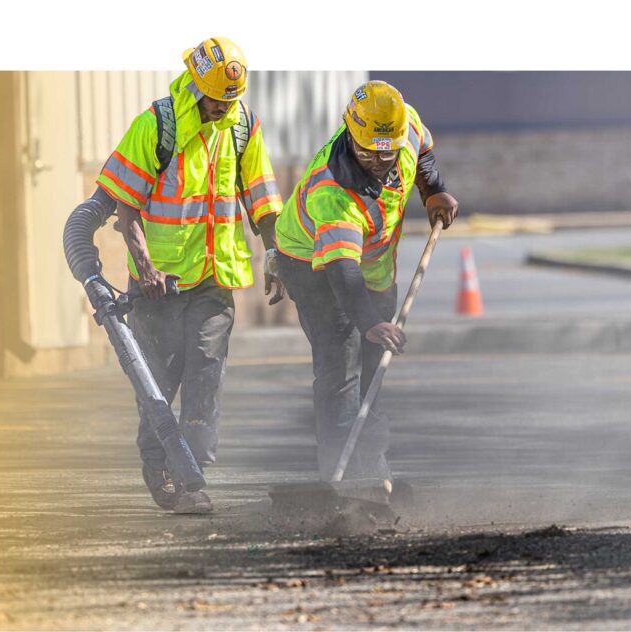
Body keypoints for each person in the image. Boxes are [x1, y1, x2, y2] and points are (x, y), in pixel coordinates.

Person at [96, 37, 283, 513]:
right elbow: (125, 204)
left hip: (213, 278)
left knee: (206, 375)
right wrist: (145, 268)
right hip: (158, 285)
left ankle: (192, 477)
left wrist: (275, 253)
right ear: (196, 86)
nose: (223, 106)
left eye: (230, 98)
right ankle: (158, 467)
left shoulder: (242, 126)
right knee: (158, 383)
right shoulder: (156, 125)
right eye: (216, 98)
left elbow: (261, 198)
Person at [273, 80, 458, 482]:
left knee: (374, 367)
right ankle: (340, 480)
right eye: (367, 152)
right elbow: (342, 269)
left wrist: (433, 192)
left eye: (386, 153)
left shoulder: (402, 126)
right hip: (309, 260)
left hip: (374, 264)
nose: (378, 161)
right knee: (341, 365)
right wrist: (369, 322)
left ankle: (370, 467)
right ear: (351, 133)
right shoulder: (333, 191)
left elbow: (423, 153)